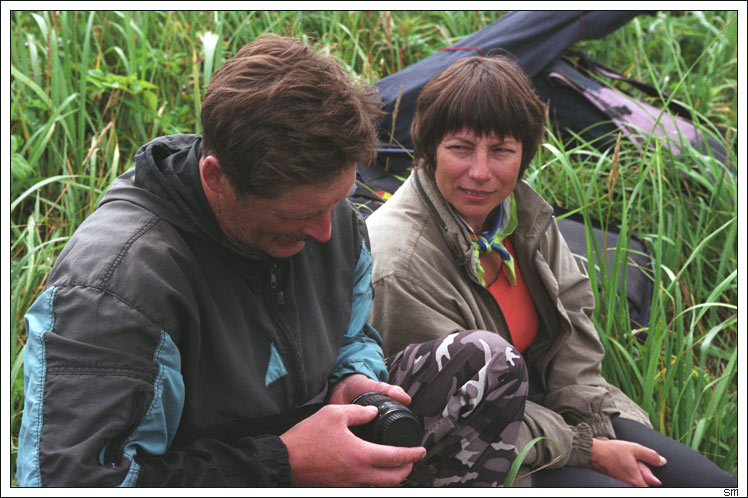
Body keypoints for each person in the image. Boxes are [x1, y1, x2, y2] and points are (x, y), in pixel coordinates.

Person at [16, 34, 528, 487]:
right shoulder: (116, 288)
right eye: (298, 215)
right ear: (217, 178)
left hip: (300, 444)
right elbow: (70, 480)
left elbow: (353, 335)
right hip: (232, 469)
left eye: (340, 200)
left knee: (480, 363)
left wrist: (351, 381)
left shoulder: (335, 224)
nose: (327, 232)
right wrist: (282, 464)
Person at [366, 54, 738, 488]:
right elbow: (450, 412)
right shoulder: (400, 261)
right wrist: (588, 450)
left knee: (716, 484)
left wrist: (591, 421)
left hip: (550, 416)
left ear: (525, 154)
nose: (481, 172)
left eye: (501, 150)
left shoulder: (520, 216)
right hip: (474, 448)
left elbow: (573, 326)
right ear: (428, 150)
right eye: (460, 148)